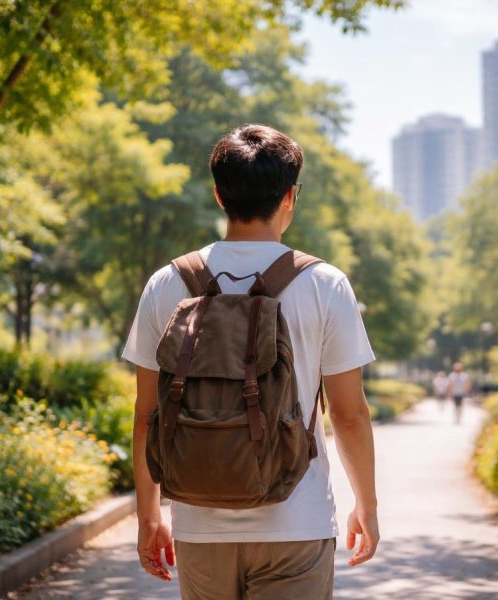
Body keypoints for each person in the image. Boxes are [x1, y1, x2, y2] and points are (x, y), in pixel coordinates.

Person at [122, 124, 380, 599]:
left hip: (199, 523)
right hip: (295, 521)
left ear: (219, 195)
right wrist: (366, 504)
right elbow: (347, 413)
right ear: (289, 196)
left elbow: (147, 416)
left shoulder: (168, 282)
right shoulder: (325, 284)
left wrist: (149, 516)